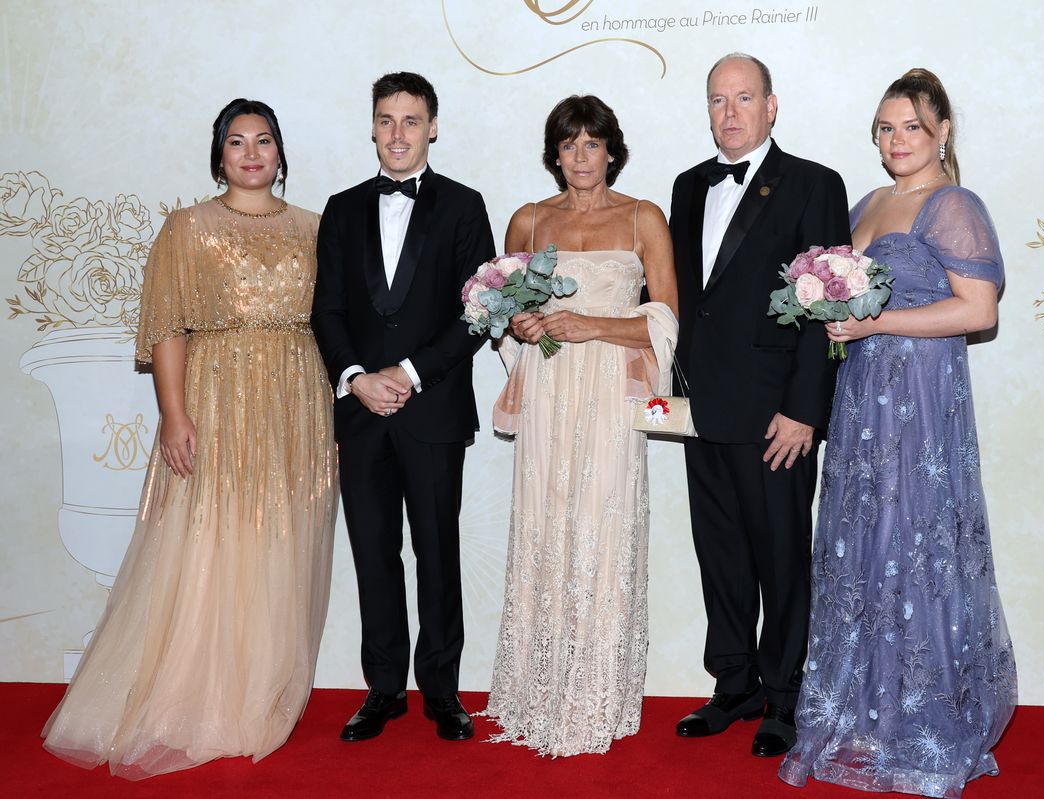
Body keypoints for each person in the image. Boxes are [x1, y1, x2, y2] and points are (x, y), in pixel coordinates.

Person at [41, 99, 337, 778]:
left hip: (297, 402)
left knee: (279, 546)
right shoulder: (187, 228)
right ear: (219, 155)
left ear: (281, 152)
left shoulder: (316, 228)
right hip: (218, 397)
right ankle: (202, 701)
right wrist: (175, 415)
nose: (252, 152)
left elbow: (333, 324)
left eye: (264, 140)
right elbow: (168, 326)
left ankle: (259, 695)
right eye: (237, 142)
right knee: (212, 542)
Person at [779, 68, 1018, 798]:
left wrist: (879, 321)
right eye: (885, 127)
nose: (897, 140)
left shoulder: (954, 204)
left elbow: (978, 311)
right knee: (861, 542)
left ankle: (923, 715)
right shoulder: (867, 202)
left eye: (911, 125)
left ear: (943, 130)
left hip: (919, 399)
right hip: (860, 400)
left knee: (916, 541)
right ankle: (863, 710)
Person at [481, 95, 678, 757]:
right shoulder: (528, 220)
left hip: (608, 397)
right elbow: (500, 308)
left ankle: (595, 698)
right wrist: (522, 323)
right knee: (544, 524)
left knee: (603, 530)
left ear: (611, 150)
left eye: (592, 144)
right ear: (555, 153)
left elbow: (668, 318)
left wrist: (594, 324)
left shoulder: (644, 216)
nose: (581, 157)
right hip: (549, 387)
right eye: (569, 145)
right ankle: (535, 692)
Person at [669, 53, 850, 758]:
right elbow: (688, 302)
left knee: (780, 555)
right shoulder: (688, 187)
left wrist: (807, 409)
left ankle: (784, 694)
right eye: (718, 100)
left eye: (744, 98)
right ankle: (734, 681)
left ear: (771, 106)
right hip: (703, 410)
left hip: (777, 415)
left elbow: (828, 303)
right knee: (719, 554)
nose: (730, 112)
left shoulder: (814, 184)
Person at [311, 72, 494, 743]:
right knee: (373, 552)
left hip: (433, 410)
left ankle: (442, 691)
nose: (397, 133)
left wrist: (410, 373)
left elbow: (478, 313)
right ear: (372, 126)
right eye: (386, 119)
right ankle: (384, 688)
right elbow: (326, 309)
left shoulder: (465, 206)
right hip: (360, 414)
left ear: (433, 127)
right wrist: (357, 376)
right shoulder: (340, 207)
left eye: (411, 120)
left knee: (438, 552)